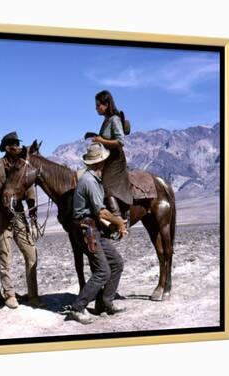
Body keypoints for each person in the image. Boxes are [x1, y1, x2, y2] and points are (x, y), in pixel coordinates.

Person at [69, 143, 127, 324]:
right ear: (100, 163)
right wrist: (118, 223)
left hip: (94, 229)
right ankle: (77, 307)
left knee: (116, 263)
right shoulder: (89, 182)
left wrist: (110, 226)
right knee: (103, 271)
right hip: (87, 231)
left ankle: (105, 302)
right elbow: (101, 211)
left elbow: (97, 213)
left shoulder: (93, 179)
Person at [0, 132, 41, 309]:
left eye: (17, 143)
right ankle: (9, 295)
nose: (16, 146)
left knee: (31, 253)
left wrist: (32, 205)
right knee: (5, 256)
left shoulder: (22, 165)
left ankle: (33, 295)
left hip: (19, 213)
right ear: (6, 148)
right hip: (2, 216)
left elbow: (29, 188)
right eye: (12, 144)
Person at [88, 90, 133, 236]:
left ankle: (118, 219)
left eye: (98, 105)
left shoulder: (114, 119)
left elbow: (120, 141)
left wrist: (101, 140)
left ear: (106, 104)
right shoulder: (106, 120)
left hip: (116, 159)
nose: (96, 108)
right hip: (106, 157)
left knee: (106, 184)